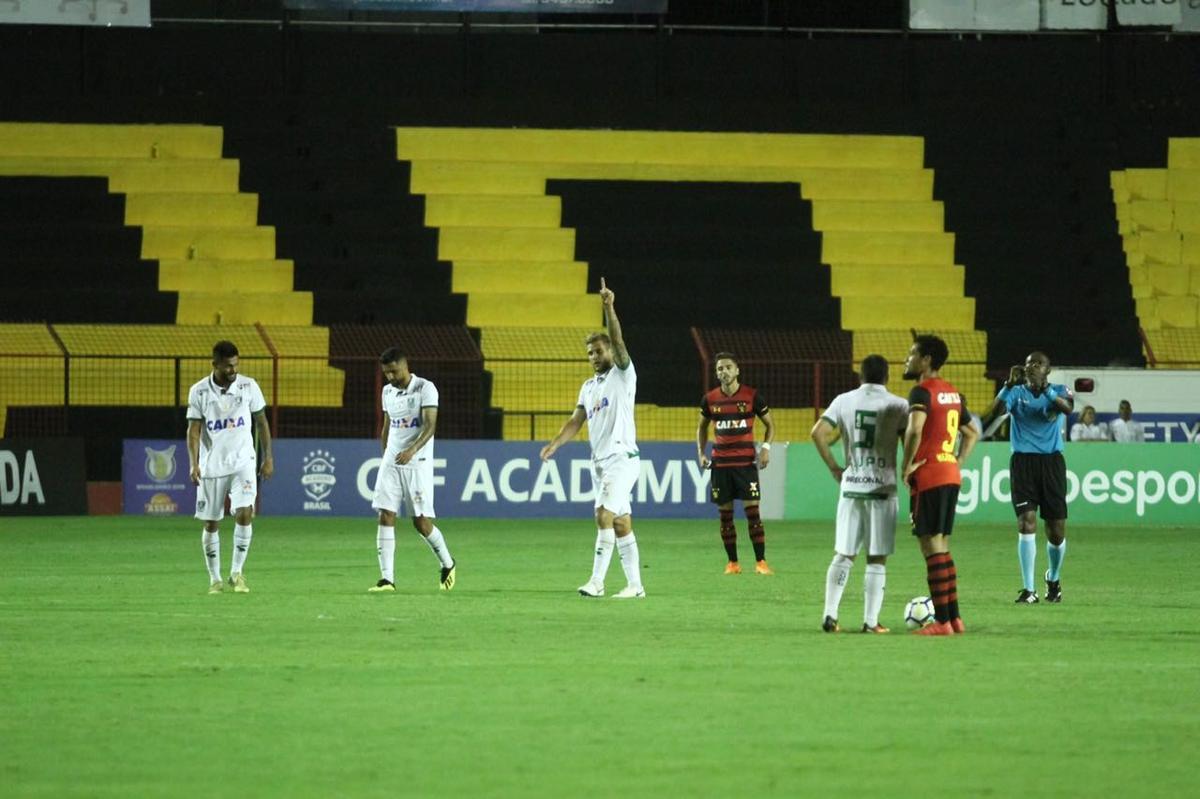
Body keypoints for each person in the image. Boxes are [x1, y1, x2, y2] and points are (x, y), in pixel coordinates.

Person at [541, 278, 645, 599]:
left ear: (610, 350)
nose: (594, 356)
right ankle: (635, 586)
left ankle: (597, 582)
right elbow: (576, 421)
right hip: (599, 462)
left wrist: (609, 307)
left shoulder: (623, 375)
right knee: (621, 523)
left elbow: (619, 338)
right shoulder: (589, 387)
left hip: (622, 459)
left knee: (603, 515)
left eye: (598, 350)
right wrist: (555, 444)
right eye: (590, 353)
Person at [810, 354, 908, 633]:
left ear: (860, 376)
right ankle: (870, 621)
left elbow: (818, 432)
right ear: (887, 376)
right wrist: (907, 466)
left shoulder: (843, 400)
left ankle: (830, 615)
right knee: (876, 558)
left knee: (843, 554)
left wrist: (834, 468)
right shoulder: (899, 405)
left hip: (851, 486)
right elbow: (909, 439)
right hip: (883, 488)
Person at [900, 335, 979, 636]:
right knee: (942, 546)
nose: (907, 359)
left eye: (912, 354)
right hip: (948, 473)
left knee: (931, 548)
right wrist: (956, 461)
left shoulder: (921, 391)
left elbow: (914, 429)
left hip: (929, 476)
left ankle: (942, 622)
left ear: (927, 360)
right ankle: (954, 618)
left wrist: (906, 465)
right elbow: (971, 432)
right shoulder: (954, 394)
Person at [186, 340, 274, 594]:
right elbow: (193, 431)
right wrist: (193, 463)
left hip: (243, 462)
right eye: (227, 367)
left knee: (245, 513)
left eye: (235, 365)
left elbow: (262, 422)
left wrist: (268, 457)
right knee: (211, 523)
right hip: (211, 467)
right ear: (214, 365)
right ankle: (215, 579)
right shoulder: (199, 392)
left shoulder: (249, 386)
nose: (232, 370)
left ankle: (237, 572)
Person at [367, 348, 456, 593]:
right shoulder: (387, 391)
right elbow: (387, 425)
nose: (390, 377)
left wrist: (412, 450)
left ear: (405, 365)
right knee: (385, 514)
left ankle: (447, 562)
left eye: (394, 371)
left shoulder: (425, 388)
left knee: (421, 522)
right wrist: (386, 454)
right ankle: (387, 580)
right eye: (386, 373)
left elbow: (430, 426)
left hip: (417, 462)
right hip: (392, 461)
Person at [987, 352, 1074, 604]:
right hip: (1023, 462)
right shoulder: (1016, 392)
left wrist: (1045, 389)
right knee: (1026, 522)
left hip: (1051, 462)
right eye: (1029, 364)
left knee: (1056, 531)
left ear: (1048, 370)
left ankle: (1053, 578)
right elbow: (996, 412)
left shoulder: (1058, 389)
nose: (1033, 368)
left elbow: (1067, 408)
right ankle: (1028, 589)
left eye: (1038, 364)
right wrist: (1007, 385)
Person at [696, 352, 777, 576]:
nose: (724, 372)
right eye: (720, 368)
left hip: (745, 466)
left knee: (753, 513)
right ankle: (732, 563)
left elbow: (770, 425)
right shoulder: (710, 399)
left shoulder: (752, 396)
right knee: (725, 516)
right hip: (720, 466)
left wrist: (766, 449)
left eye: (728, 367)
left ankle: (761, 562)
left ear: (737, 370)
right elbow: (701, 427)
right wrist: (701, 453)